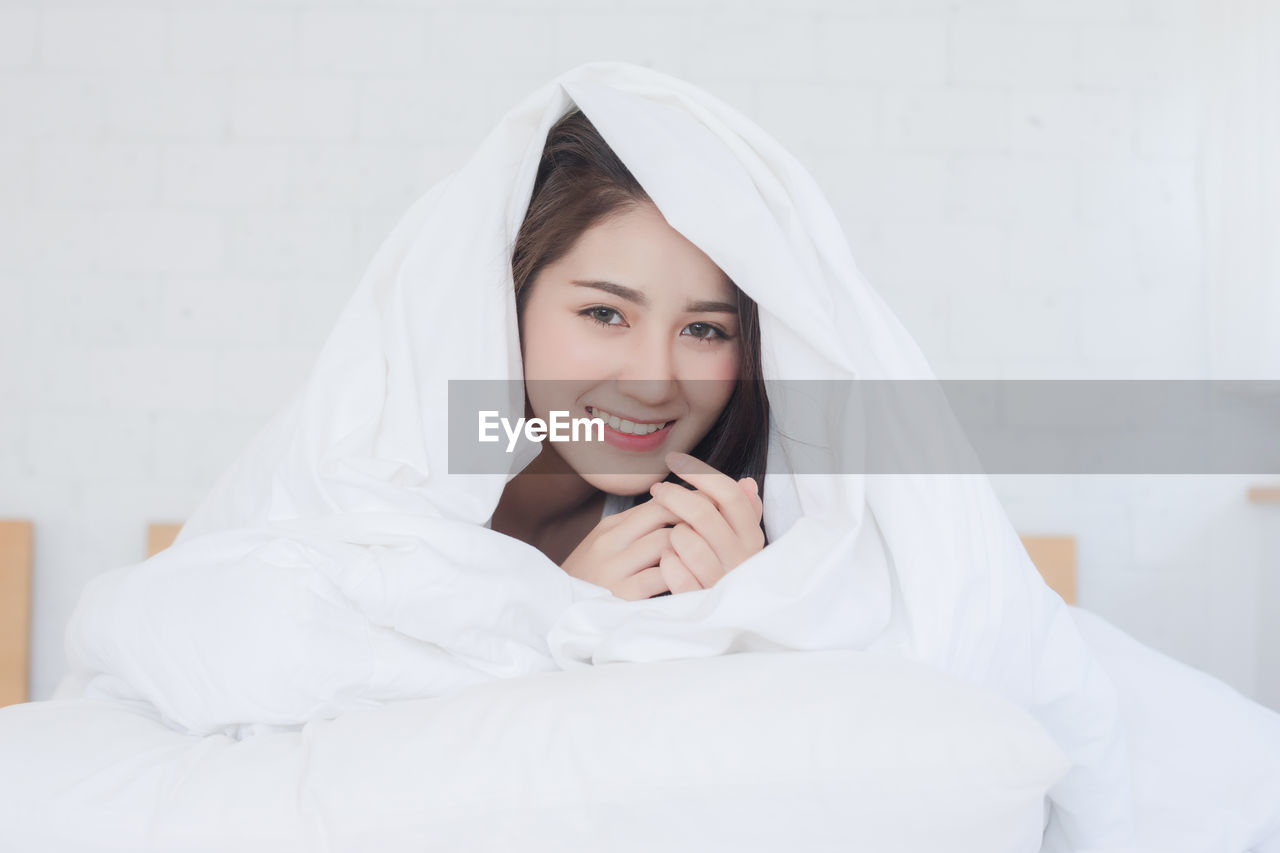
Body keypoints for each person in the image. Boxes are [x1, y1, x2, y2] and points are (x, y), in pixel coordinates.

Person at [490, 109, 769, 600]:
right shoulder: (381, 486)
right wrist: (561, 616)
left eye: (703, 329)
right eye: (604, 314)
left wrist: (740, 616)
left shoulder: (725, 550)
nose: (653, 383)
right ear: (509, 300)